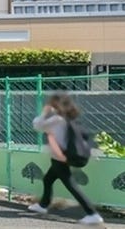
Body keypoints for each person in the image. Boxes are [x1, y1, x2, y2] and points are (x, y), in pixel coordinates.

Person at [28, 93, 103, 225]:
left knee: (70, 184)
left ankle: (92, 213)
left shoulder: (56, 119)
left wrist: (45, 112)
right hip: (63, 156)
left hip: (59, 157)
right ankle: (43, 205)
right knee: (48, 179)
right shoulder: (70, 119)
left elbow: (37, 125)